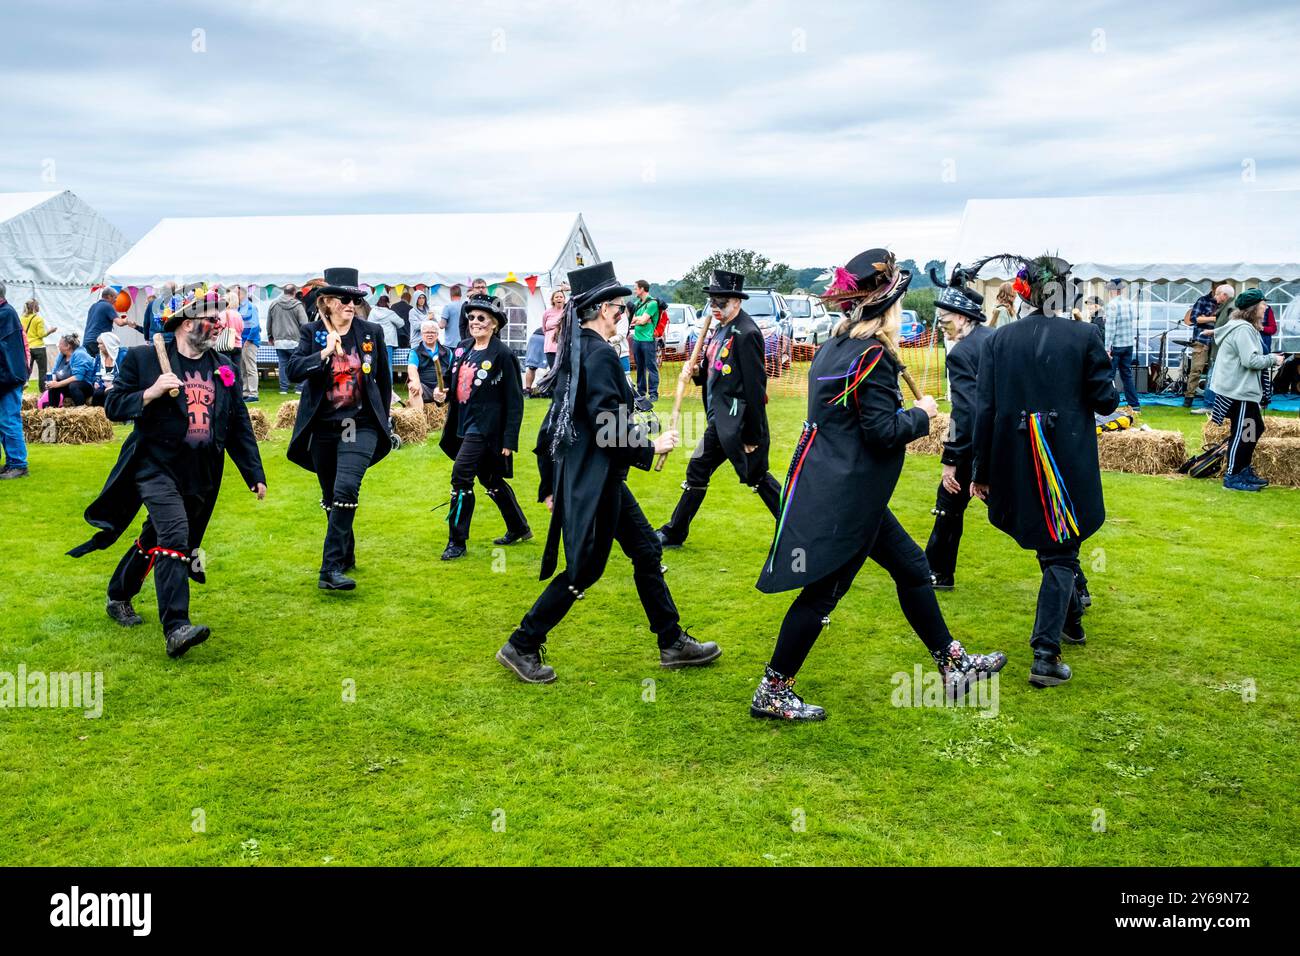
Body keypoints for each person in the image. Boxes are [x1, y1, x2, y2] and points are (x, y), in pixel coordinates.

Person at [497, 260, 719, 683]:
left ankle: (672, 642)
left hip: (602, 479)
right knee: (585, 570)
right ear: (603, 310)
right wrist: (650, 445)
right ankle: (522, 643)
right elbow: (604, 426)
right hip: (597, 481)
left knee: (647, 552)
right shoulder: (595, 354)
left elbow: (566, 423)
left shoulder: (580, 348)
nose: (625, 313)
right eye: (620, 307)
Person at [67, 290, 267, 658]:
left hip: (200, 471)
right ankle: (176, 627)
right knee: (176, 533)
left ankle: (119, 593)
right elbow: (112, 406)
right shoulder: (144, 360)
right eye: (212, 318)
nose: (219, 324)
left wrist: (254, 472)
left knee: (157, 535)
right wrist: (151, 392)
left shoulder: (223, 366)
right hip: (154, 466)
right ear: (187, 323)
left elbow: (238, 423)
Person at [971, 253, 1118, 688]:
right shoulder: (1083, 335)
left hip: (1013, 457)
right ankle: (1045, 653)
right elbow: (1106, 401)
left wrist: (980, 468)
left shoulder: (999, 340)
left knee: (1055, 545)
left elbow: (985, 409)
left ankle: (1070, 621)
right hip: (1063, 456)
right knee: (1060, 549)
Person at [656, 269, 781, 549]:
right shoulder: (720, 328)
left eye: (721, 303)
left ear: (737, 302)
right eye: (712, 302)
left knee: (744, 474)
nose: (715, 308)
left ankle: (796, 528)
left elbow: (754, 388)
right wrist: (697, 371)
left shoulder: (747, 333)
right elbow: (719, 371)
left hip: (736, 422)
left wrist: (752, 436)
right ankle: (675, 532)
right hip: (721, 419)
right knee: (708, 471)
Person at [287, 267, 394, 591]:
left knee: (347, 488)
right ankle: (345, 554)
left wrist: (383, 418)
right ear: (328, 302)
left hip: (358, 425)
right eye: (346, 299)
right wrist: (322, 353)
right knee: (331, 495)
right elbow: (293, 370)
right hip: (323, 426)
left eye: (355, 299)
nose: (352, 304)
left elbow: (384, 381)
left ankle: (329, 570)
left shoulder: (370, 331)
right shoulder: (312, 333)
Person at [432, 294, 530, 559]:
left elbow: (514, 401)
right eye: (472, 317)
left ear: (494, 324)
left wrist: (510, 441)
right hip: (462, 424)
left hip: (485, 429)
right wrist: (442, 396)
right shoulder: (463, 348)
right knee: (490, 479)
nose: (475, 322)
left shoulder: (503, 355)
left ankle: (457, 542)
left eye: (481, 318)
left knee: (460, 476)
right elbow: (454, 385)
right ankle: (519, 527)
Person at [924, 267, 994, 591]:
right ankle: (1073, 580)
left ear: (965, 317)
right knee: (1023, 514)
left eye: (946, 317)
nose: (941, 323)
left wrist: (950, 457)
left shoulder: (961, 353)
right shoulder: (992, 339)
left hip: (976, 443)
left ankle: (936, 572)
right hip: (1003, 439)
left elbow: (963, 411)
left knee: (948, 501)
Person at [1209, 290, 1285, 492]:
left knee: (1252, 429)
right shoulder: (1243, 330)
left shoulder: (1243, 327)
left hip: (1240, 390)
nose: (1266, 307)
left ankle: (1242, 469)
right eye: (1262, 304)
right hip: (1238, 391)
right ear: (1253, 309)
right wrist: (1273, 359)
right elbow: (1250, 360)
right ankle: (1233, 475)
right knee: (1244, 433)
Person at [1183, 283, 1233, 408]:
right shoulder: (1203, 300)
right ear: (1214, 289)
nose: (1217, 295)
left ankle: (1212, 399)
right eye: (1216, 291)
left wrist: (1205, 318)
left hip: (1218, 341)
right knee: (1196, 369)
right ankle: (1189, 398)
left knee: (1215, 371)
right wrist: (1214, 319)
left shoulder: (1227, 304)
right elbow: (1194, 319)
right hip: (1202, 339)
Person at [0, 282, 29, 479]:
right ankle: (13, 461)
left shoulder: (5, 314)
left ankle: (18, 464)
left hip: (9, 377)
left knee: (9, 420)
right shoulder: (6, 312)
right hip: (8, 376)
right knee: (5, 420)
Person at [1103, 278, 1141, 414]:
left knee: (1109, 376)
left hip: (1116, 346)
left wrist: (1107, 348)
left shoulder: (1112, 305)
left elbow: (1111, 328)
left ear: (1113, 290)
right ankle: (1135, 405)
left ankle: (1108, 403)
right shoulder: (1130, 303)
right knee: (1127, 375)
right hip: (1128, 344)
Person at [267, 283, 309, 394]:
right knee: (299, 363)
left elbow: (269, 323)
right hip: (295, 340)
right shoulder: (298, 305)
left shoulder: (273, 304)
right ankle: (300, 388)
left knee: (282, 365)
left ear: (284, 291)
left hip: (279, 340)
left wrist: (270, 336)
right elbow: (304, 324)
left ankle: (284, 388)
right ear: (294, 293)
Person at [406, 319, 452, 409]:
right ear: (422, 335)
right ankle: (419, 419)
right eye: (426, 332)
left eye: (432, 332)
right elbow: (412, 368)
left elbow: (452, 371)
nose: (429, 335)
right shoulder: (415, 351)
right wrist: (415, 381)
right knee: (413, 387)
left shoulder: (447, 351)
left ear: (437, 334)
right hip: (424, 387)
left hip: (443, 387)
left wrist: (441, 387)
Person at [630, 279, 660, 402]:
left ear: (642, 289)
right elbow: (632, 320)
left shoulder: (652, 303)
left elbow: (642, 321)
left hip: (647, 340)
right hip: (637, 339)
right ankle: (641, 392)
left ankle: (653, 394)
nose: (634, 290)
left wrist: (641, 320)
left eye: (636, 288)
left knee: (651, 367)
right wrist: (640, 319)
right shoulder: (637, 303)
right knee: (640, 367)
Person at [46, 333, 97, 406]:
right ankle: (53, 410)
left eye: (60, 343)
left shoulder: (80, 354)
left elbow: (78, 377)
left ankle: (81, 409)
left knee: (73, 385)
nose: (58, 345)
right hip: (69, 384)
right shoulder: (61, 354)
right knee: (52, 386)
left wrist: (57, 384)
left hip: (85, 386)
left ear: (68, 346)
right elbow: (54, 371)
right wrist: (52, 383)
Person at [21, 299, 55, 389]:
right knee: (42, 370)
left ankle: (25, 382)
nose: (39, 307)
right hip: (39, 347)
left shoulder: (21, 318)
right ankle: (43, 389)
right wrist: (50, 331)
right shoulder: (38, 319)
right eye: (38, 305)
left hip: (27, 348)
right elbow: (41, 334)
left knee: (28, 368)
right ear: (35, 308)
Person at [369, 295, 405, 374]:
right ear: (387, 303)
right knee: (388, 365)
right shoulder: (390, 313)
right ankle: (389, 386)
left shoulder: (373, 311)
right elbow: (401, 323)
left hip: (376, 340)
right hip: (388, 341)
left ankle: (377, 385)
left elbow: (369, 324)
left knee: (376, 364)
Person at [237, 286, 261, 402]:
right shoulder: (240, 308)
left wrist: (249, 340)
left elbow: (255, 326)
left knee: (250, 368)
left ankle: (253, 393)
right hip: (242, 341)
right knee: (243, 368)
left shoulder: (251, 307)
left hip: (249, 342)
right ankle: (246, 391)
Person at [84, 288, 118, 367]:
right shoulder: (107, 305)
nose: (116, 300)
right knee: (101, 365)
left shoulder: (93, 306)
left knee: (91, 366)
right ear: (109, 296)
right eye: (115, 297)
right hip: (98, 342)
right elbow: (119, 322)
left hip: (87, 341)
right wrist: (126, 321)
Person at [92, 332, 121, 405]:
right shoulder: (99, 357)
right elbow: (93, 374)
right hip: (102, 384)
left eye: (100, 343)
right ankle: (98, 414)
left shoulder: (122, 355)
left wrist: (113, 385)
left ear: (108, 344)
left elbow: (125, 375)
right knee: (97, 394)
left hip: (118, 385)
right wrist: (96, 382)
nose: (98, 346)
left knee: (109, 393)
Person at [542, 289, 564, 369]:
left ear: (564, 299)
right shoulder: (547, 312)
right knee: (553, 370)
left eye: (561, 297)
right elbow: (544, 328)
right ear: (553, 300)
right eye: (556, 297)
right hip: (550, 345)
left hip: (563, 346)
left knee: (561, 370)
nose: (559, 298)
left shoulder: (567, 312)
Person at [523, 324, 547, 392]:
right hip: (545, 337)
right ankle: (548, 388)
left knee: (532, 367)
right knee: (554, 366)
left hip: (535, 337)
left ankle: (528, 389)